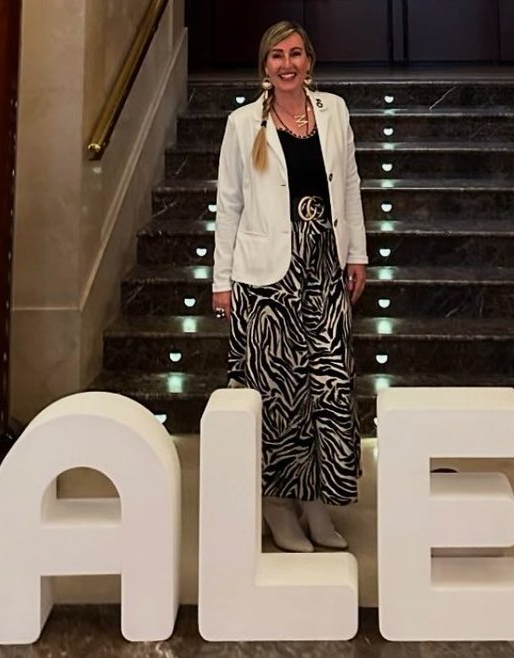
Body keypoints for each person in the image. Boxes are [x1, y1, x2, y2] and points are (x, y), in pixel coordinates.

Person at [210, 21, 368, 552]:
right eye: (276, 55)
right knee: (277, 396)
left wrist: (358, 254)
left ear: (309, 60)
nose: (287, 64)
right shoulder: (241, 123)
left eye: (296, 53)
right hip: (264, 280)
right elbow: (229, 204)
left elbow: (349, 184)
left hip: (324, 272)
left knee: (327, 390)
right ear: (264, 66)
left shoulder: (334, 112)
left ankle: (318, 506)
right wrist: (220, 281)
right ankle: (278, 508)